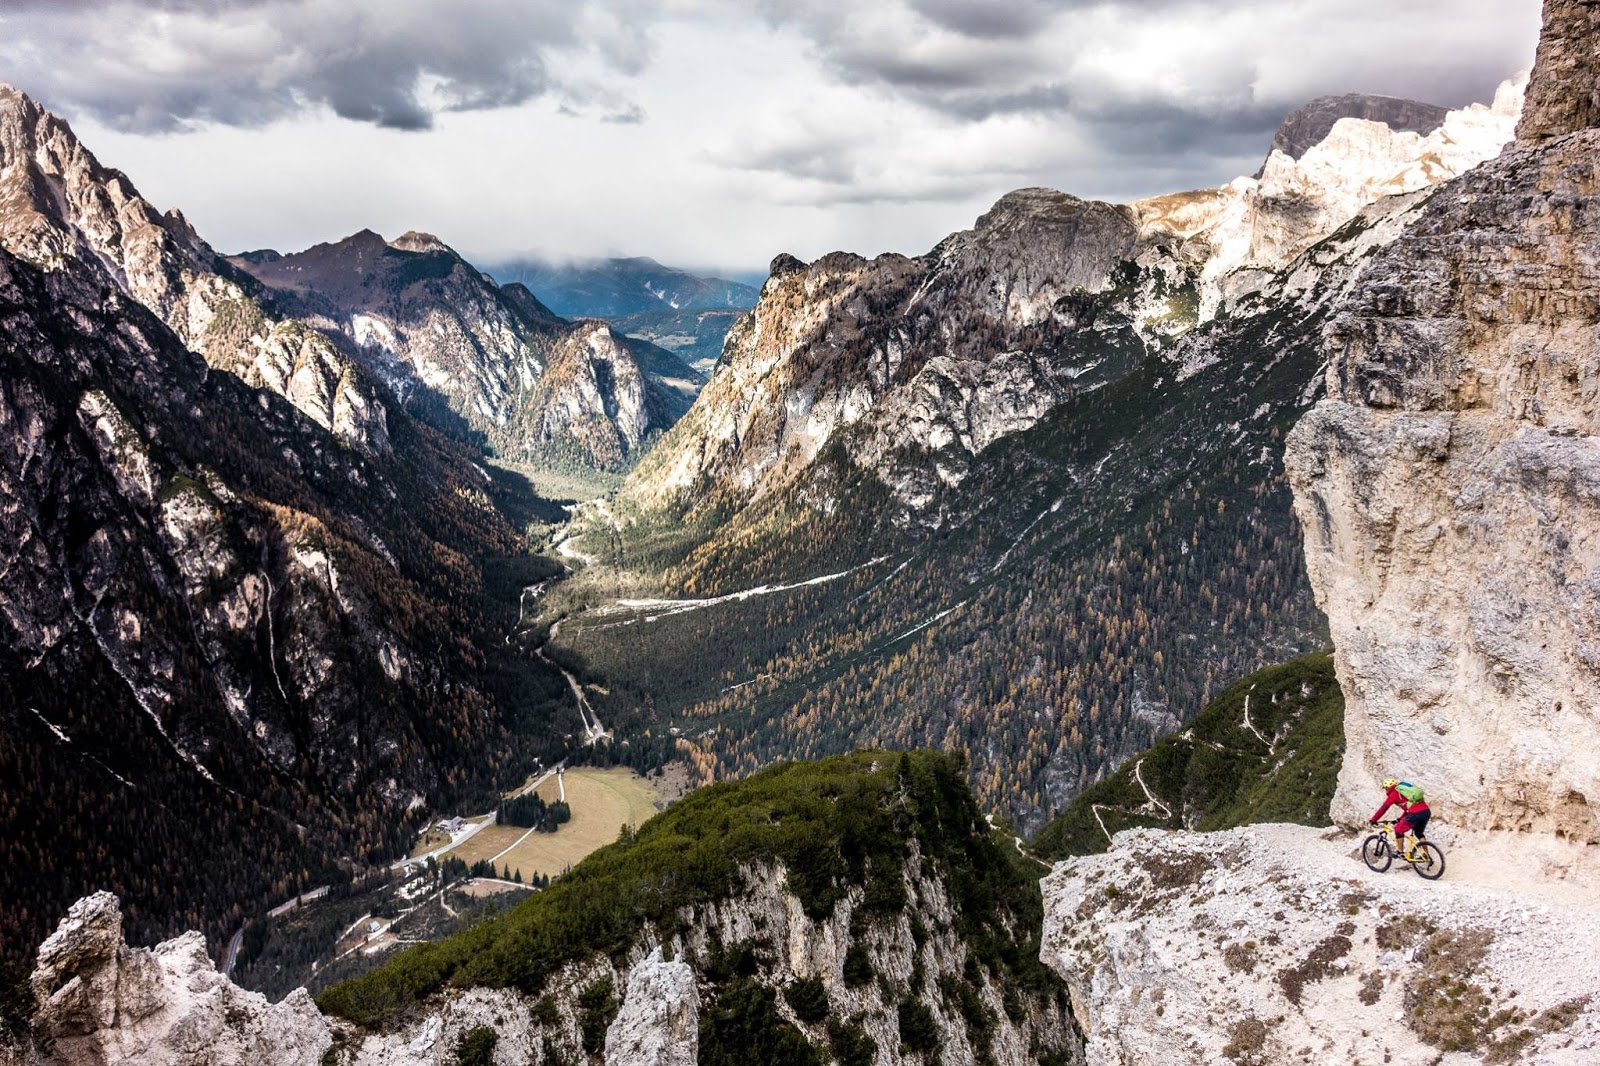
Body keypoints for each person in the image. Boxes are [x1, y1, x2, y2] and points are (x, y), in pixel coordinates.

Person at [1371, 777, 1430, 858]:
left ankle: (1400, 852)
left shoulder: (1394, 793)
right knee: (1419, 833)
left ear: (1388, 787)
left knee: (1398, 829)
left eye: (1386, 788)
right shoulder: (1404, 793)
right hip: (1426, 812)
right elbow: (1408, 809)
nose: (1386, 790)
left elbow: (1384, 808)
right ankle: (1426, 855)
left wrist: (1373, 819)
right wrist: (1400, 819)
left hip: (1415, 813)